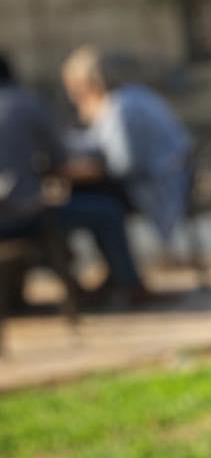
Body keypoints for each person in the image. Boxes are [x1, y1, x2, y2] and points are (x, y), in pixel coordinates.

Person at [0, 51, 151, 306]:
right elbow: (59, 157)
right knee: (107, 211)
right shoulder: (23, 104)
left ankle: (79, 288)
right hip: (22, 216)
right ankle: (129, 285)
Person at [61, 47, 193, 247]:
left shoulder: (121, 108)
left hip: (158, 185)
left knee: (86, 199)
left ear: (87, 87)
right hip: (173, 176)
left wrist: (92, 167)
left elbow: (124, 164)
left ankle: (118, 262)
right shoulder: (132, 97)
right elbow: (96, 142)